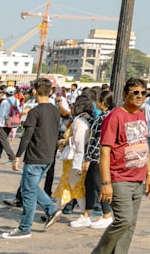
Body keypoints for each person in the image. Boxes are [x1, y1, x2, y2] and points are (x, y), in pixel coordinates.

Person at [91, 77, 150, 254]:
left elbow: (144, 144)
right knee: (123, 221)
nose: (140, 96)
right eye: (135, 92)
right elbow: (104, 152)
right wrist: (106, 183)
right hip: (119, 178)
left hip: (138, 178)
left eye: (143, 93)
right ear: (125, 94)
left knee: (130, 225)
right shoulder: (115, 116)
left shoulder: (141, 115)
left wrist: (149, 174)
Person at [1, 77, 62, 239]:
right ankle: (51, 209)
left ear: (35, 91)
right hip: (49, 155)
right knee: (32, 186)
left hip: (35, 156)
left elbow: (26, 136)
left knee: (28, 192)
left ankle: (25, 227)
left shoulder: (35, 112)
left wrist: (17, 157)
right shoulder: (55, 110)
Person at [71, 89, 114, 229]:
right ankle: (87, 214)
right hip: (96, 156)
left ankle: (107, 214)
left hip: (97, 157)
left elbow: (97, 140)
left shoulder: (105, 118)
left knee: (98, 185)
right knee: (89, 184)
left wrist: (89, 158)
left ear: (102, 103)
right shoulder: (104, 116)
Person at [52, 93, 93, 223]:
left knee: (72, 185)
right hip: (73, 158)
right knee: (72, 185)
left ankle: (59, 211)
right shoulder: (82, 120)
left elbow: (79, 142)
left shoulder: (79, 122)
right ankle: (58, 210)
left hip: (74, 158)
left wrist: (64, 142)